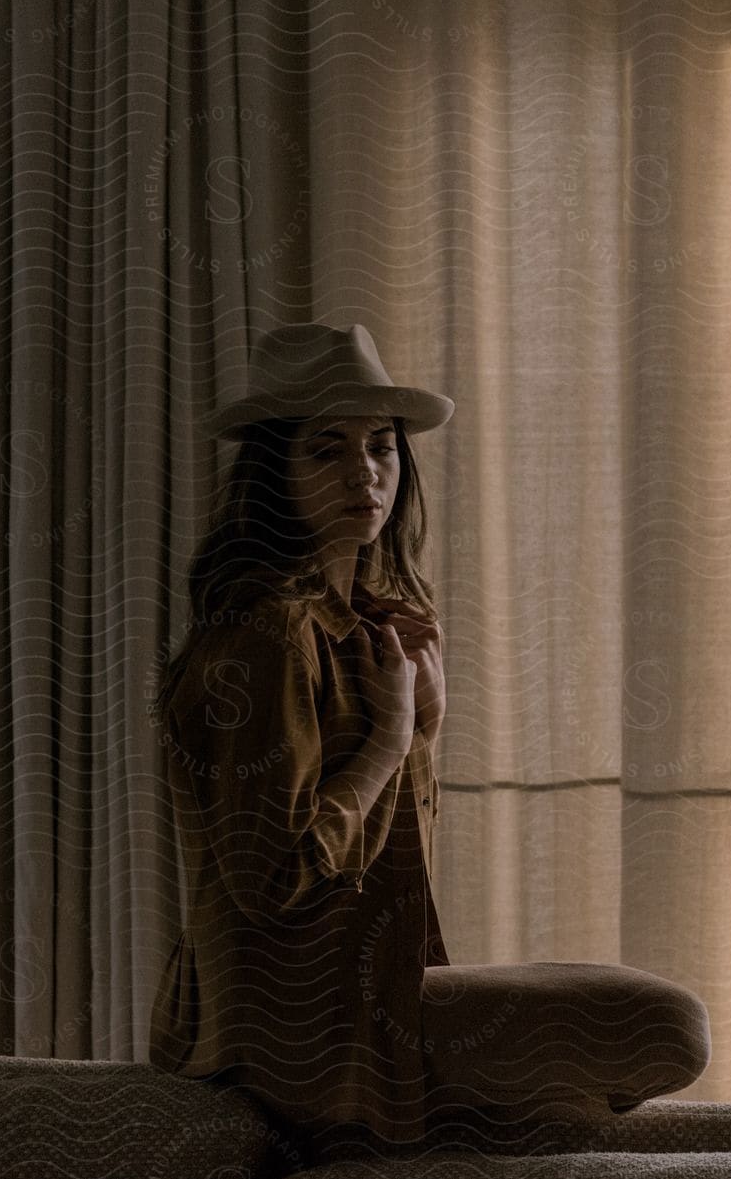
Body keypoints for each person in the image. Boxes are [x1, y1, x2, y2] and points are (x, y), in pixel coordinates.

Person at [147, 322, 454, 1161]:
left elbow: (387, 858)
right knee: (661, 1027)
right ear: (275, 474)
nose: (366, 472)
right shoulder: (269, 636)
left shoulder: (373, 624)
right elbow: (272, 878)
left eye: (382, 447)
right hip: (286, 1037)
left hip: (369, 1016)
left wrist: (424, 724)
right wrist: (393, 738)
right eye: (327, 449)